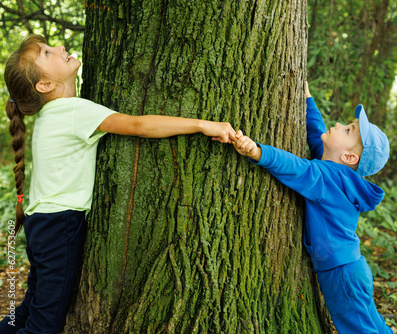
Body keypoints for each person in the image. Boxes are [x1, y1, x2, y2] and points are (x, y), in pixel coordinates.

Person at [0, 35, 236, 334]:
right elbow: (138, 126)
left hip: (42, 225)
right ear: (44, 85)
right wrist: (203, 124)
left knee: (28, 310)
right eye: (48, 53)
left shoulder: (53, 114)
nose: (59, 47)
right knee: (44, 323)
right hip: (59, 226)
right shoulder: (72, 111)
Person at [232, 83, 393, 334]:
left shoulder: (327, 177)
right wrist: (307, 100)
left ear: (349, 157)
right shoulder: (335, 171)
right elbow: (318, 133)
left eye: (348, 130)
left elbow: (297, 168)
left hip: (342, 273)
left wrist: (257, 151)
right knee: (368, 324)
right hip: (347, 268)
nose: (339, 125)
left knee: (363, 329)